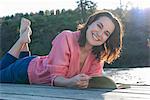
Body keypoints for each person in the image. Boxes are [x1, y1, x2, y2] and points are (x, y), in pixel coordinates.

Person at [0, 10, 123, 89]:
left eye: (106, 33)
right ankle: (22, 40)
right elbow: (56, 79)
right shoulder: (66, 38)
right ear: (90, 23)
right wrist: (71, 82)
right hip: (26, 71)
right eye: (99, 26)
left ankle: (24, 36)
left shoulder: (97, 55)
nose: (100, 34)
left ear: (108, 39)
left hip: (40, 62)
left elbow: (96, 79)